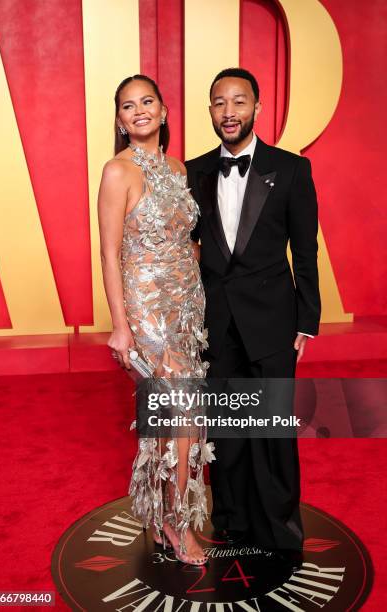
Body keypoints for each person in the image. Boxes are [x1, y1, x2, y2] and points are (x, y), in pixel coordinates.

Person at [186, 67, 321, 568]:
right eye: (219, 102)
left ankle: (281, 529)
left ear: (257, 109)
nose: (229, 112)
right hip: (216, 320)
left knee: (272, 427)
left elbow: (304, 251)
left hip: (272, 320)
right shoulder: (193, 170)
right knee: (227, 427)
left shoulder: (290, 169)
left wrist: (306, 321)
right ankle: (232, 520)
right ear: (210, 111)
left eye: (238, 102)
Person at [98, 74, 213, 566]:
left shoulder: (177, 167)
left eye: (147, 102)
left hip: (187, 305)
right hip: (146, 311)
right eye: (128, 106)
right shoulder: (116, 172)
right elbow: (108, 252)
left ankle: (171, 515)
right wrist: (120, 325)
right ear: (121, 121)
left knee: (183, 417)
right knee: (181, 413)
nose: (139, 111)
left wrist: (197, 295)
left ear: (164, 111)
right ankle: (174, 522)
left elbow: (189, 239)